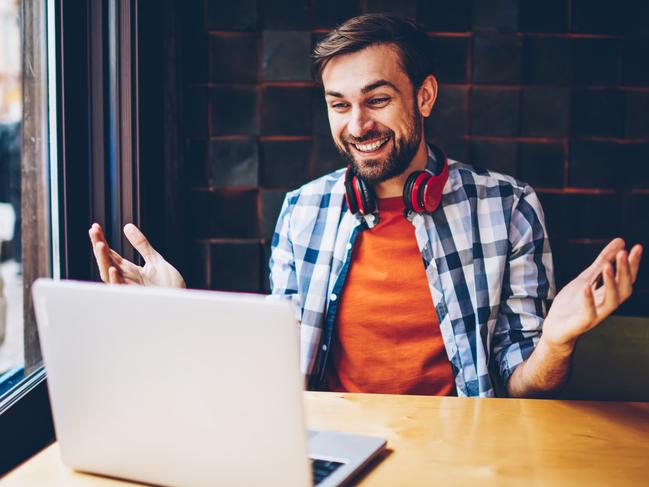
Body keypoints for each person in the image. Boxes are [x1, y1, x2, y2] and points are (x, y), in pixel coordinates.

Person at [89, 14, 643, 398]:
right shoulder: (302, 211)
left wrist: (555, 342)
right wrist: (178, 313)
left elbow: (523, 386)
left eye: (377, 100)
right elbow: (273, 372)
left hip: (460, 447)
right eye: (340, 105)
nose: (358, 126)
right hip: (334, 446)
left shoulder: (510, 207)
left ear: (423, 96)